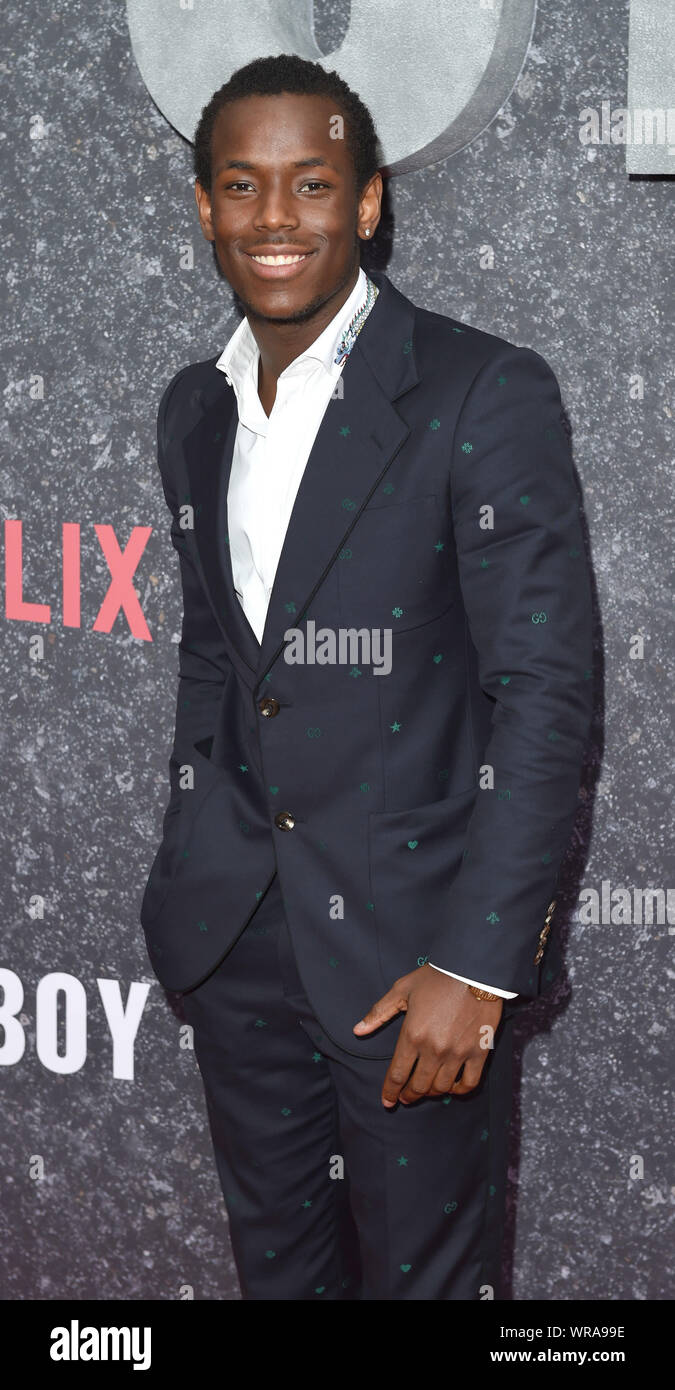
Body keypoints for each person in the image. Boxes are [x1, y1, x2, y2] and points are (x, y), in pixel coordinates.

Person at [140, 53, 593, 1300]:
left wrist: (481, 962)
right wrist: (191, 874)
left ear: (370, 201)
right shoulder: (195, 409)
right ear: (204, 208)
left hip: (414, 969)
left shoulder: (480, 392)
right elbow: (217, 666)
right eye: (243, 185)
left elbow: (545, 695)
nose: (276, 218)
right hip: (239, 947)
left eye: (312, 183)